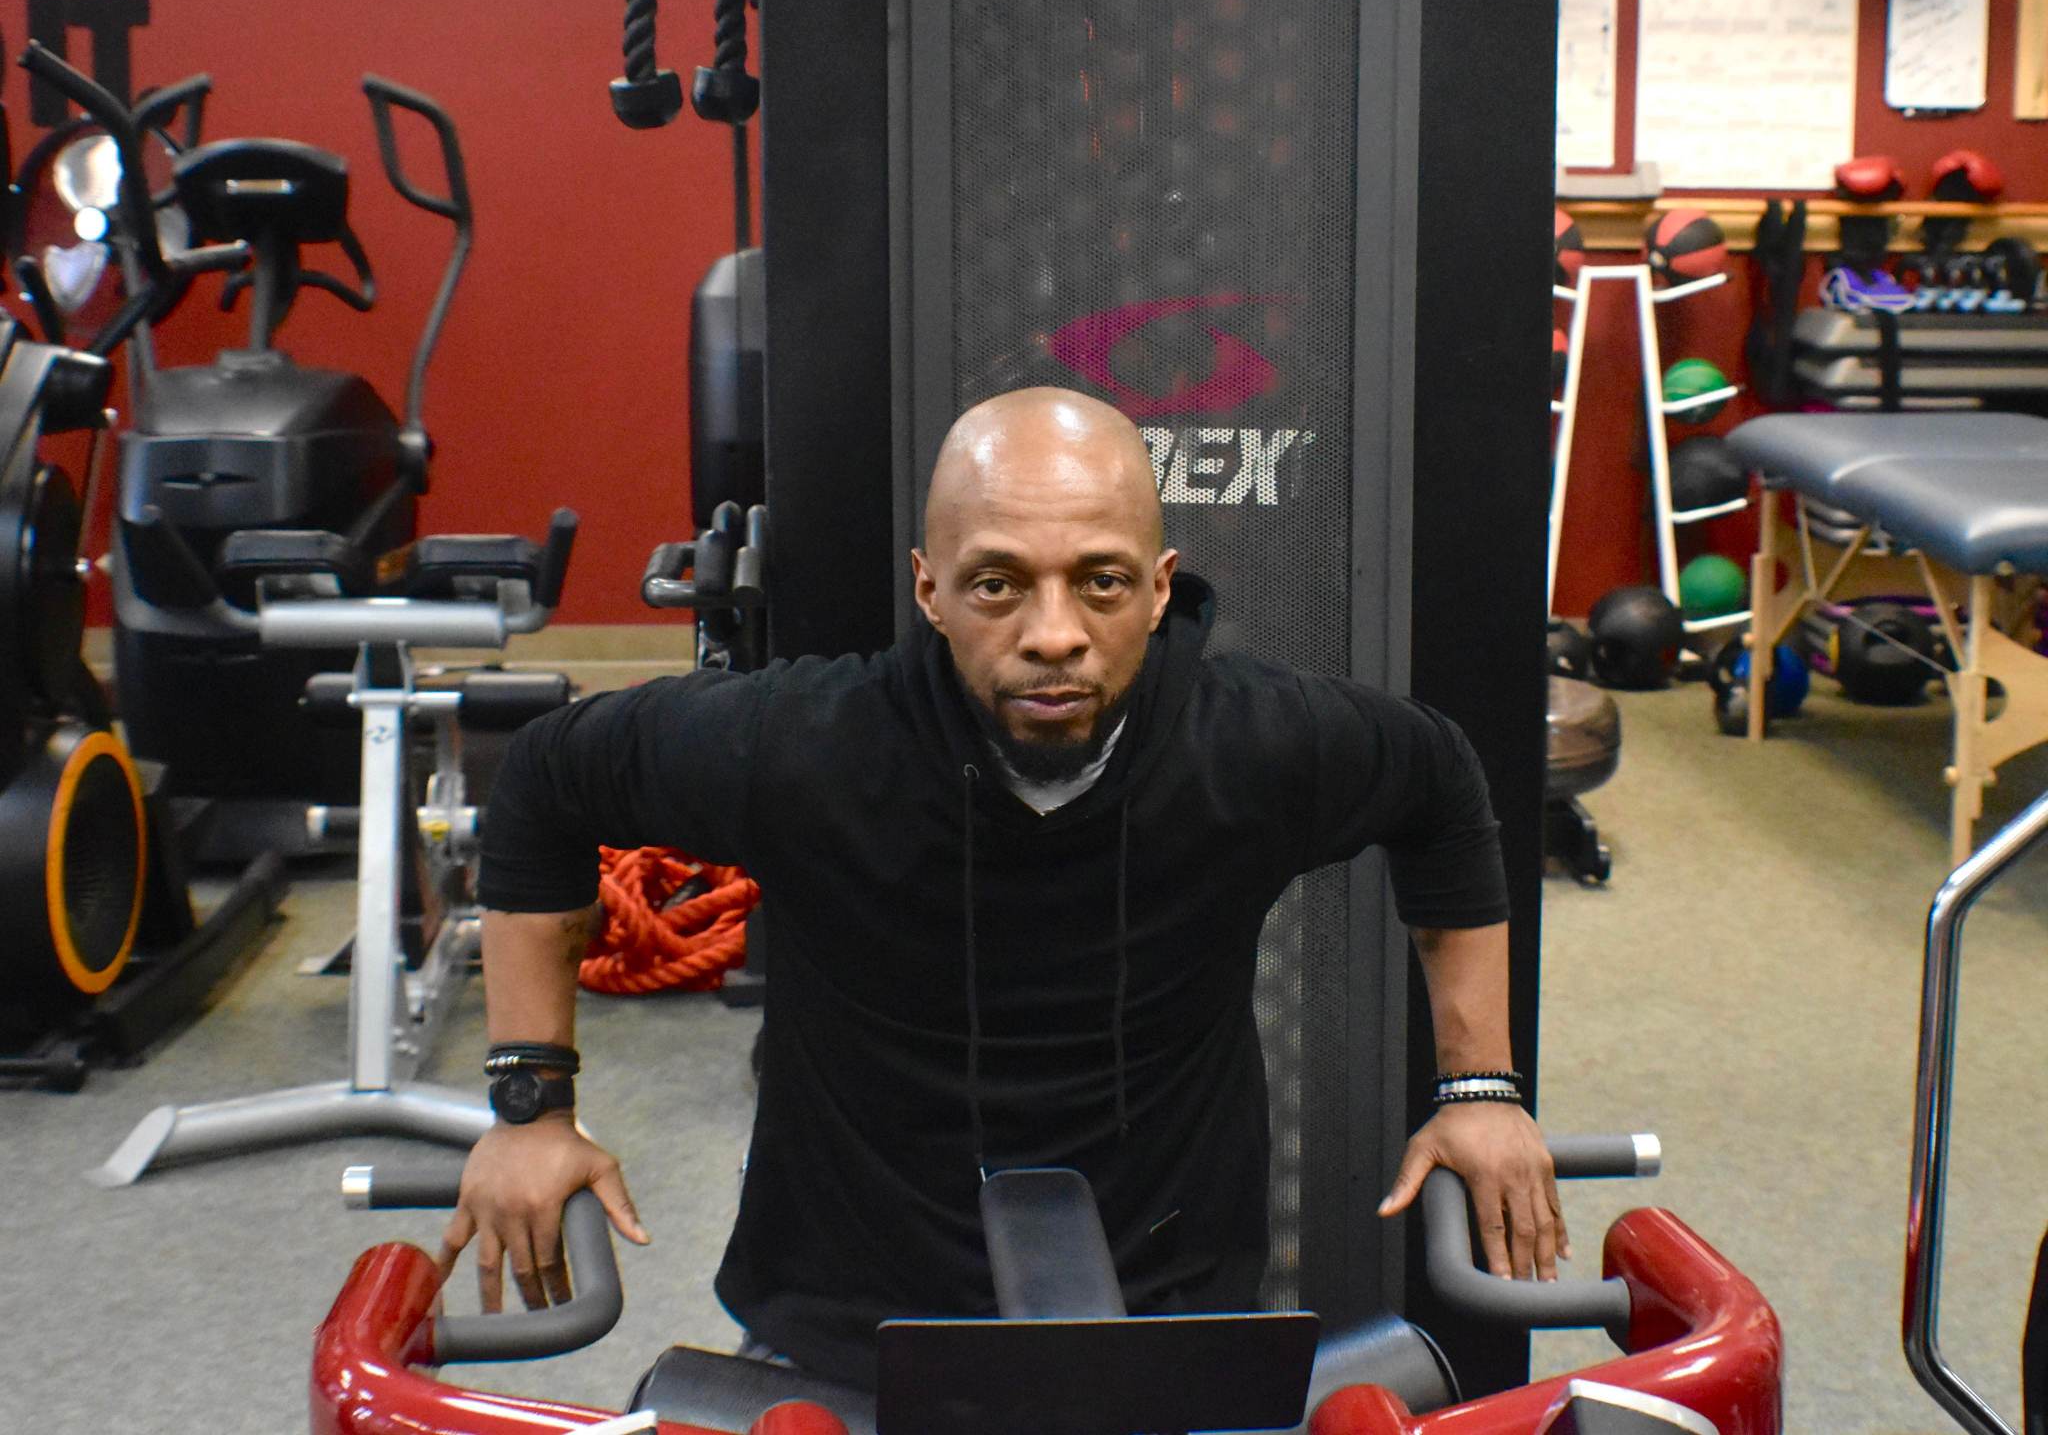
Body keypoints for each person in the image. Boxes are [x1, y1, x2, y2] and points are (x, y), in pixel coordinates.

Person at [442, 386, 1563, 1390]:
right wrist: (530, 1105)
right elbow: (546, 778)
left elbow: (1438, 787)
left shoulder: (1257, 747)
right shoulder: (805, 749)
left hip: (1168, 1303)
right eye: (997, 585)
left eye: (1101, 583)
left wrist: (1480, 1089)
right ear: (929, 590)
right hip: (846, 1313)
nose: (1054, 636)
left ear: (1159, 589)